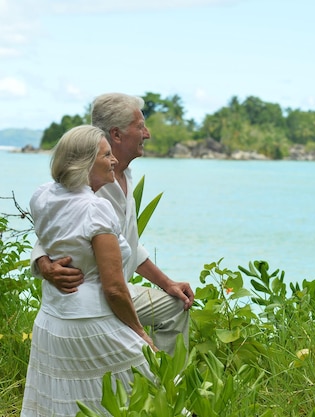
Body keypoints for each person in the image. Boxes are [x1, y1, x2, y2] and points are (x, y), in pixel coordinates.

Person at [30, 93, 194, 355]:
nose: (147, 134)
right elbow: (52, 230)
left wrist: (167, 283)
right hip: (97, 296)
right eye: (140, 127)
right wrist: (44, 265)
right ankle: (159, 383)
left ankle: (166, 387)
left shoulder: (124, 173)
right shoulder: (89, 185)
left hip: (117, 289)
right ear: (117, 134)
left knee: (175, 304)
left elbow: (129, 246)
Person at [21, 125, 155, 417]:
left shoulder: (42, 196)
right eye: (106, 155)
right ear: (84, 163)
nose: (114, 160)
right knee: (153, 386)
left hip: (51, 321)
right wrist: (138, 331)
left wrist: (43, 262)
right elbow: (115, 289)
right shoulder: (96, 209)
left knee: (68, 402)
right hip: (91, 322)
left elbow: (49, 237)